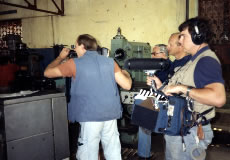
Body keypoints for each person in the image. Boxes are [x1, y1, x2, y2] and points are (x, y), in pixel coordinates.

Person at [44, 34, 132, 160]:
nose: (74, 49)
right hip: (110, 116)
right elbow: (127, 85)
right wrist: (126, 73)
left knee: (88, 153)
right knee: (113, 150)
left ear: (82, 46)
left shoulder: (73, 63)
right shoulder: (109, 62)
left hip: (90, 117)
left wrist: (60, 57)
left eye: (76, 46)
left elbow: (47, 72)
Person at [150, 17, 226, 160]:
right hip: (180, 128)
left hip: (189, 132)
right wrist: (161, 86)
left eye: (183, 36)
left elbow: (218, 98)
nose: (180, 41)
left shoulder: (206, 60)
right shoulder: (193, 60)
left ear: (197, 36)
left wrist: (182, 88)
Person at [137, 34, 191, 159]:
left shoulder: (166, 65)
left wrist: (158, 85)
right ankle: (144, 154)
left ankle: (143, 154)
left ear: (164, 55)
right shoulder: (169, 64)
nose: (151, 56)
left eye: (154, 53)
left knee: (145, 120)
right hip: (161, 97)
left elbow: (167, 88)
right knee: (143, 118)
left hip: (170, 102)